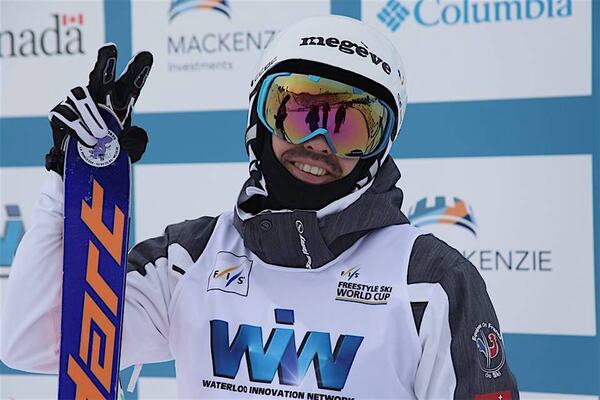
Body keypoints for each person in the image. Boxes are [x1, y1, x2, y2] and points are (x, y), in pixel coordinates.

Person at [0, 15, 519, 399]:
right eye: (299, 115)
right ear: (259, 120)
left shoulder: (429, 280)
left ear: (379, 149)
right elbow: (32, 343)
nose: (318, 145)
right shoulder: (189, 259)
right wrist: (69, 188)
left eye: (349, 127)